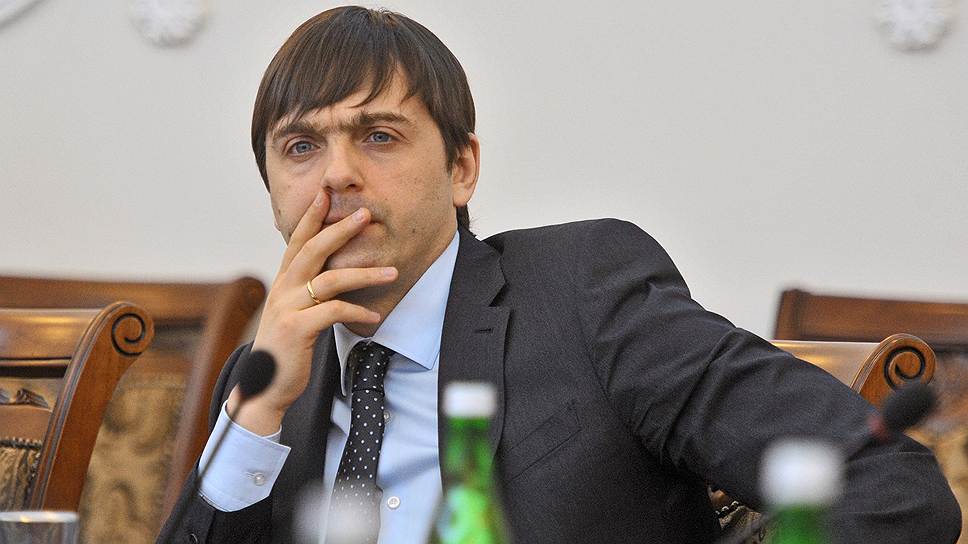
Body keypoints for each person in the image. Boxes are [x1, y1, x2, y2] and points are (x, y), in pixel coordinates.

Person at [158, 6, 961, 544]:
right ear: (273, 190)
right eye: (301, 147)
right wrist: (255, 411)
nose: (336, 175)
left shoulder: (582, 294)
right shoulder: (268, 379)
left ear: (462, 167)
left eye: (378, 136)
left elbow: (886, 484)